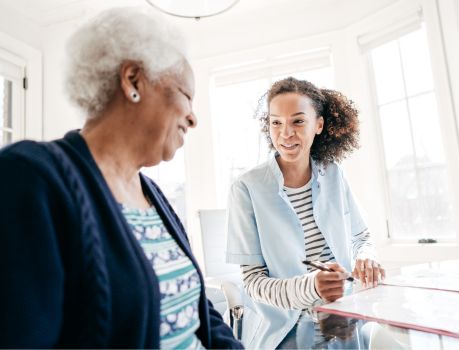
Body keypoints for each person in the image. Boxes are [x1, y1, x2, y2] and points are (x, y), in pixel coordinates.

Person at [0, 8, 242, 349]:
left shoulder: (152, 194)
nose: (193, 117)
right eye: (187, 95)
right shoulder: (32, 176)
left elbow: (197, 311)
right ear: (133, 80)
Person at [226, 77, 385, 348]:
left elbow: (361, 237)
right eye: (276, 122)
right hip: (288, 329)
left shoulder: (333, 173)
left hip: (343, 316)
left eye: (298, 121)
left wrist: (366, 258)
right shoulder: (247, 188)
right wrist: (311, 287)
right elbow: (253, 283)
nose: (285, 133)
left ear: (318, 125)